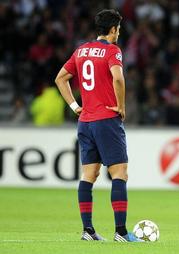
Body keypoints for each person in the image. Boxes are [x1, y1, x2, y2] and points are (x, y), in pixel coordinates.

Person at [55, 9, 143, 242]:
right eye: (119, 29)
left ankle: (88, 231)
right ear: (113, 29)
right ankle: (122, 233)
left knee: (89, 175)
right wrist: (121, 106)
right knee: (120, 173)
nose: (119, 33)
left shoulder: (81, 50)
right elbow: (118, 78)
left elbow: (60, 78)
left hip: (85, 122)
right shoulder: (113, 50)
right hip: (106, 120)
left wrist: (75, 106)